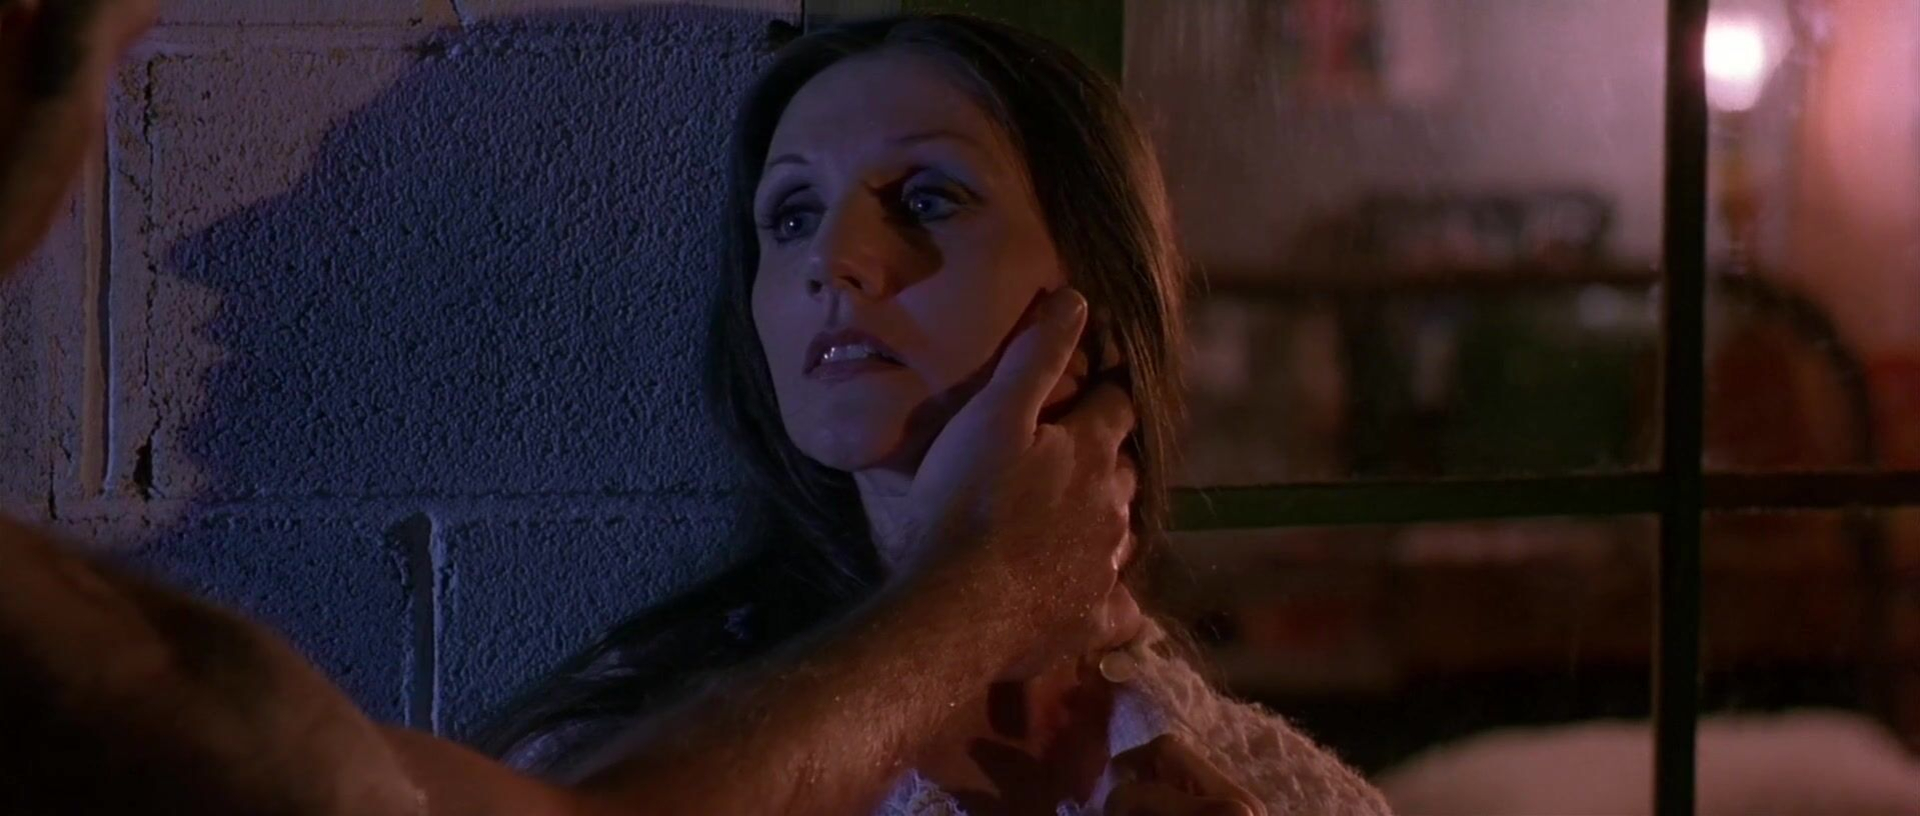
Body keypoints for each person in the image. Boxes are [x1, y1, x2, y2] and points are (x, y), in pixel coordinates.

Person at [0, 3, 1390, 814]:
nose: (838, 260)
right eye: (788, 217)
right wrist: (983, 589)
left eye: (928, 198)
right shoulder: (629, 741)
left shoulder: (1252, 775)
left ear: (1102, 296)